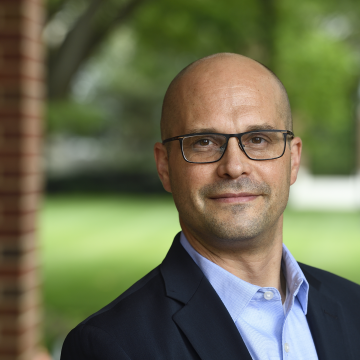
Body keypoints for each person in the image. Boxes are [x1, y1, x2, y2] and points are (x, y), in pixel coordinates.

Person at [61, 53, 360, 360]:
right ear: (164, 166)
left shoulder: (354, 307)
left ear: (293, 160)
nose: (234, 166)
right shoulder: (111, 346)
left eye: (258, 139)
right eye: (204, 142)